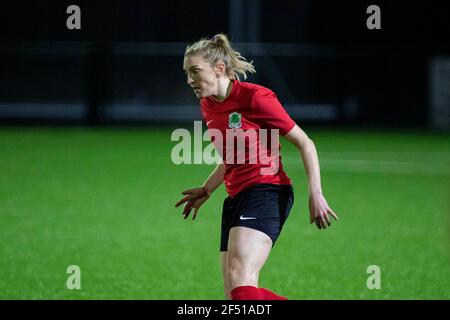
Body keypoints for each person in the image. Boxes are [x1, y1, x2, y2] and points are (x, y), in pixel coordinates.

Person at [175, 34, 339, 300]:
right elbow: (233, 155)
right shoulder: (208, 104)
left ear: (219, 69)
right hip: (236, 197)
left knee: (241, 278)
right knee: (236, 294)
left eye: (195, 71)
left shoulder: (256, 97)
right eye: (186, 73)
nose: (189, 80)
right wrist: (208, 189)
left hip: (267, 192)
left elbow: (305, 143)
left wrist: (316, 193)